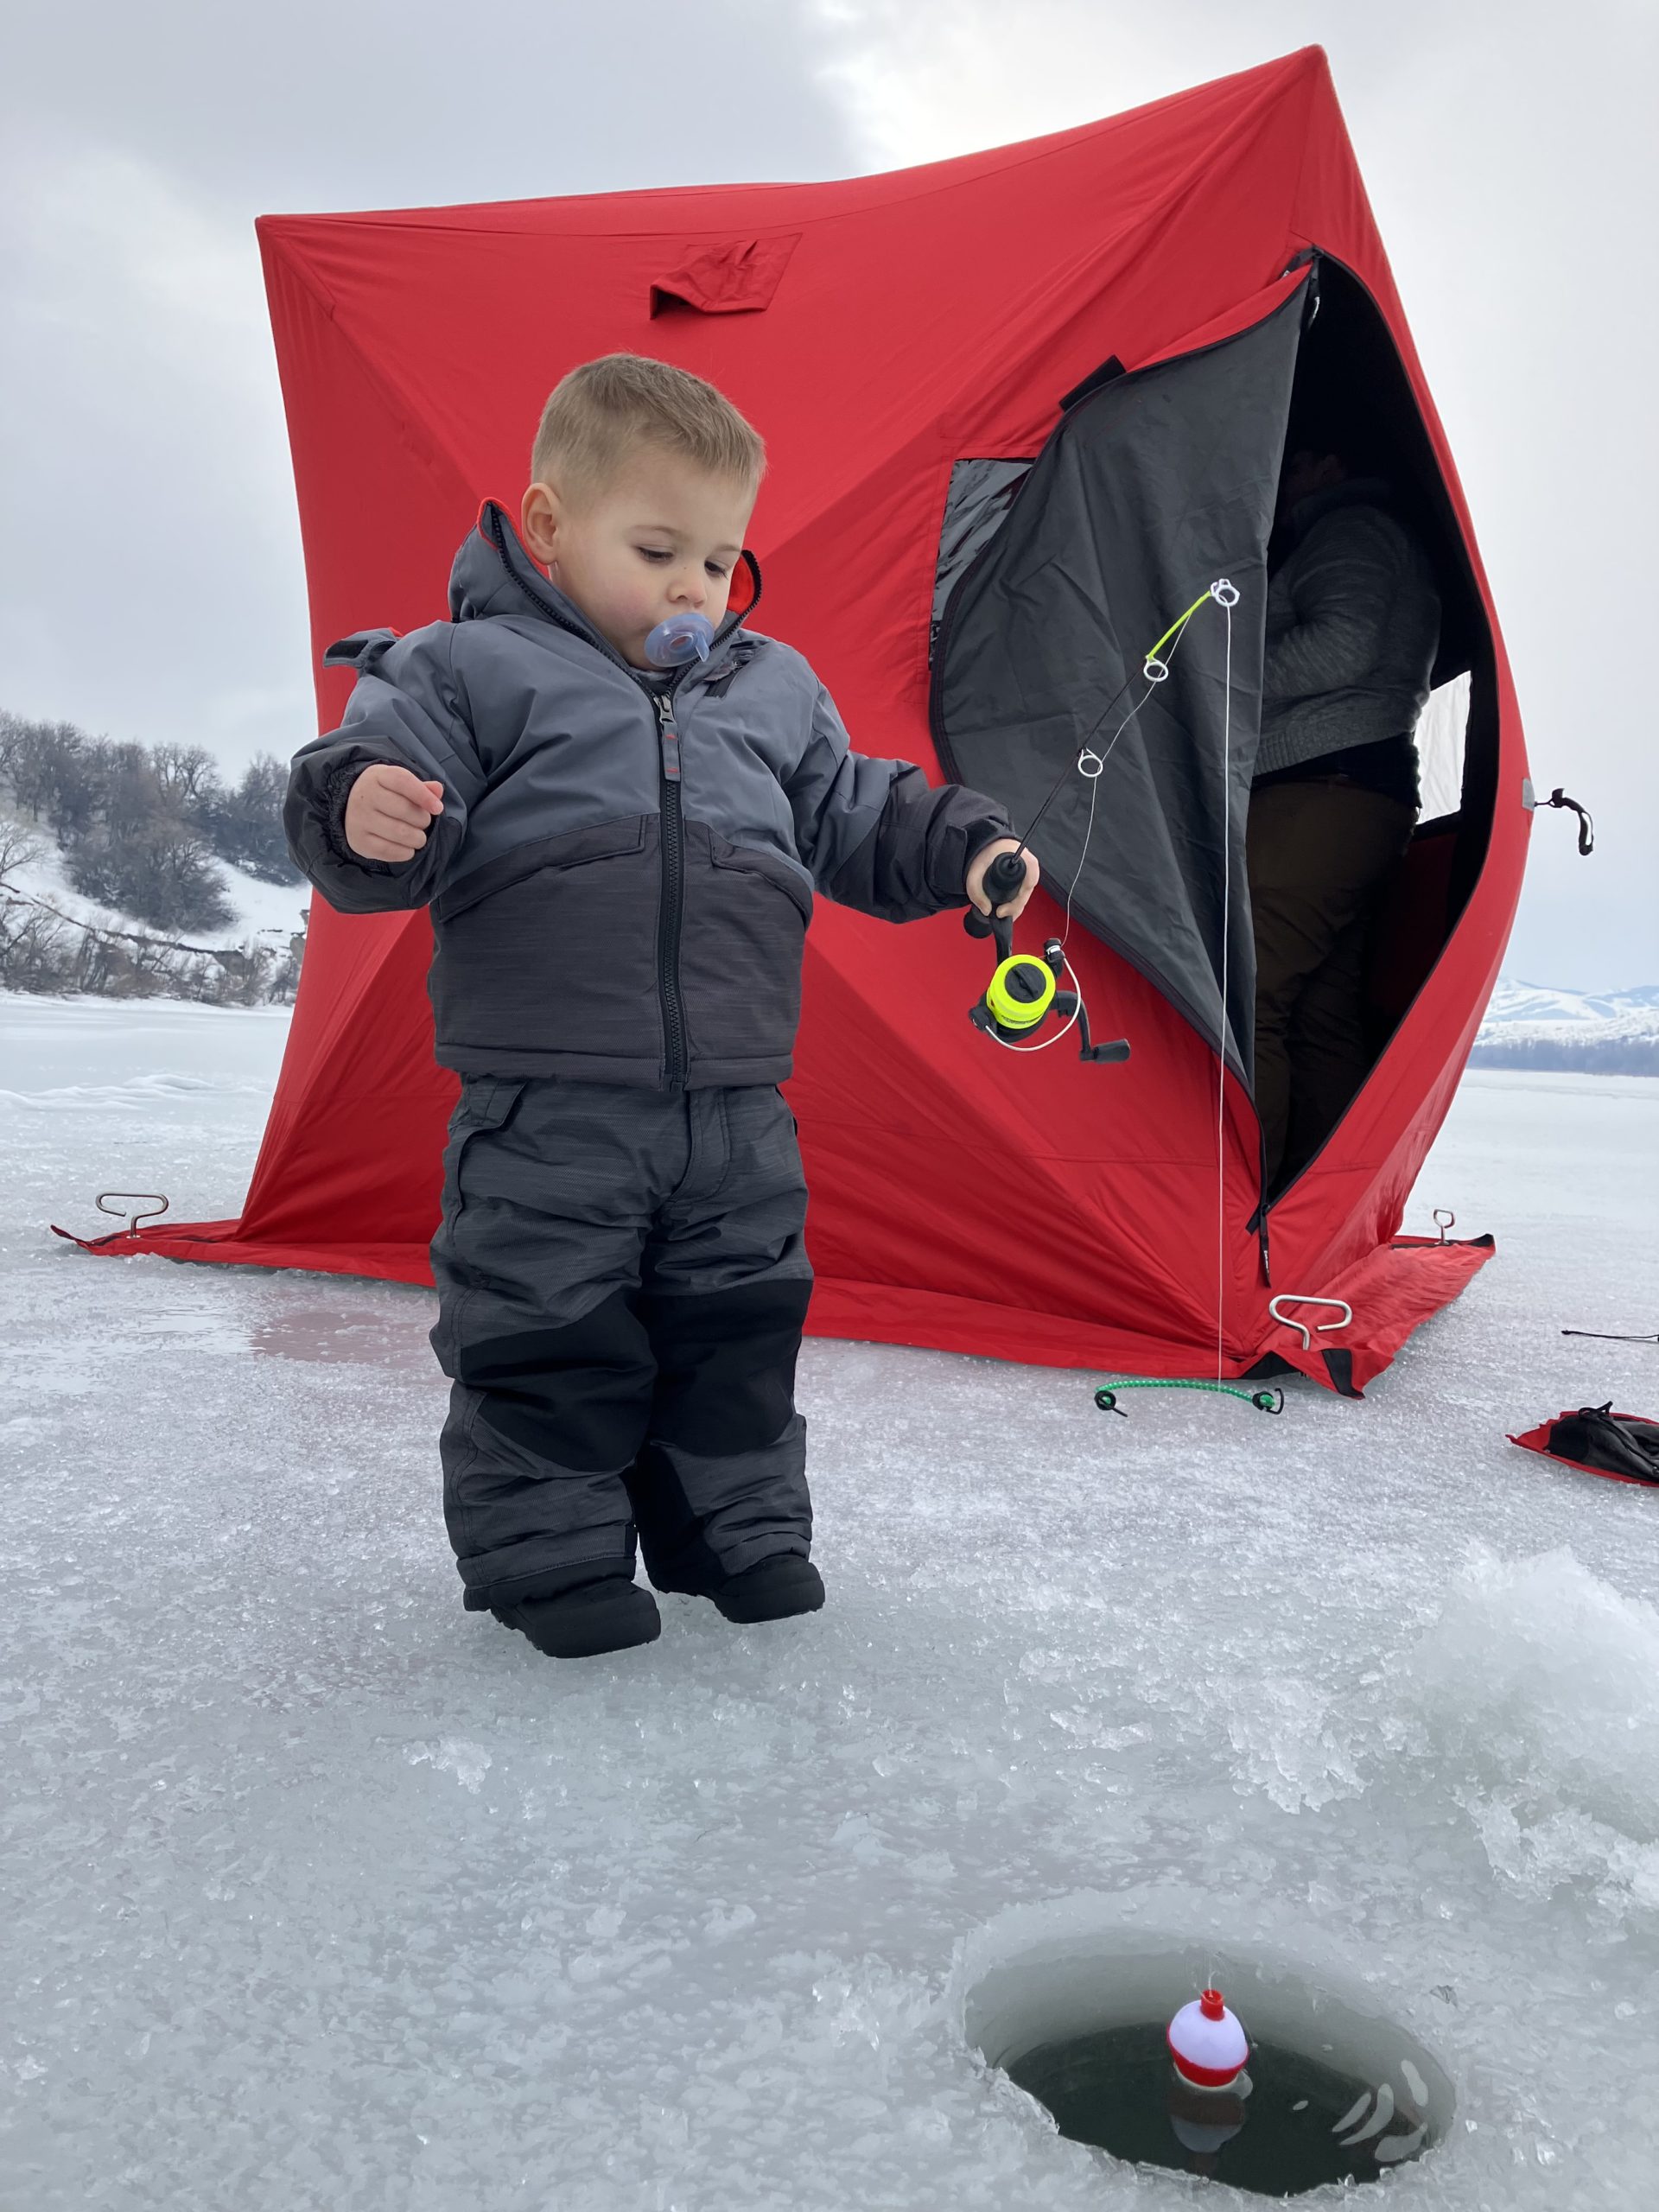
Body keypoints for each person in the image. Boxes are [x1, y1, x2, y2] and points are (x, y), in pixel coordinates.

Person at [283, 353, 1035, 1660]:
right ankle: (552, 1555)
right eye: (658, 550)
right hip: (547, 1103)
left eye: (721, 559)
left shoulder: (772, 688)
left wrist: (963, 842)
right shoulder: (465, 671)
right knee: (547, 1321)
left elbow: (857, 809)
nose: (695, 587)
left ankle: (734, 1532)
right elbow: (376, 773)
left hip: (738, 1105)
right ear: (551, 525)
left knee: (738, 1326)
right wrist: (361, 804)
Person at [1248, 442, 1440, 1191]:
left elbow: (1341, 646)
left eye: (1293, 463)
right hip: (1363, 803)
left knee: (1250, 999)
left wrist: (1218, 678)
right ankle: (1320, 1209)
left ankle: (1241, 1211)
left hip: (1318, 798)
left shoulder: (1350, 527)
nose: (1281, 482)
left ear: (1332, 464)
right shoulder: (1385, 536)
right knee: (1319, 1019)